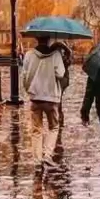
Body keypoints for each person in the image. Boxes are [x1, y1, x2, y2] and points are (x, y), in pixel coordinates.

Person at [22, 36, 66, 171]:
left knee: (36, 130)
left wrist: (29, 89)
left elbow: (25, 75)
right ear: (49, 41)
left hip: (35, 97)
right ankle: (47, 155)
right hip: (51, 98)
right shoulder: (56, 55)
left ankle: (37, 161)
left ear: (37, 39)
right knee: (54, 127)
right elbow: (61, 74)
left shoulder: (29, 55)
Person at [50, 41, 72, 126]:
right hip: (61, 80)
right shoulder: (62, 57)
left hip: (61, 80)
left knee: (58, 98)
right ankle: (59, 116)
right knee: (58, 99)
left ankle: (58, 116)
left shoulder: (60, 58)